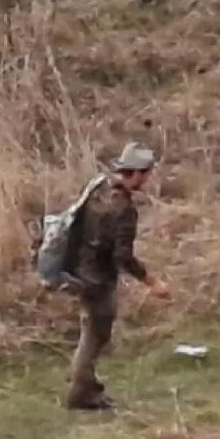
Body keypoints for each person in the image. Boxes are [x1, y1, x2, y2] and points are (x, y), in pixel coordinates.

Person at [62, 142, 170, 410]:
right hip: (97, 279)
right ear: (137, 173)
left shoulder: (98, 188)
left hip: (79, 267)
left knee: (92, 330)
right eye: (146, 173)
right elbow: (123, 257)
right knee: (95, 335)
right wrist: (152, 282)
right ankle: (81, 393)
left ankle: (86, 384)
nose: (147, 179)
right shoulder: (124, 210)